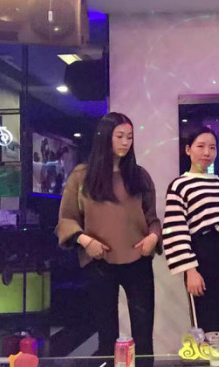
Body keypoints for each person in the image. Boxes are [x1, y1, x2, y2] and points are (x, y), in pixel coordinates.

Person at [56, 112, 162, 358]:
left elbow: (153, 220)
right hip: (99, 262)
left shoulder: (140, 176)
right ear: (105, 137)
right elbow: (66, 220)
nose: (126, 142)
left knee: (144, 336)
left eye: (130, 137)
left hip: (138, 261)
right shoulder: (81, 176)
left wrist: (153, 238)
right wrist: (86, 241)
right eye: (120, 136)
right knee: (106, 336)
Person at [162, 127, 219, 332]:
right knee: (207, 320)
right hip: (201, 256)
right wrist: (190, 271)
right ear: (188, 150)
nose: (206, 153)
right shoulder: (179, 185)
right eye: (200, 146)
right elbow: (176, 230)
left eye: (212, 148)